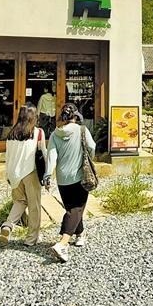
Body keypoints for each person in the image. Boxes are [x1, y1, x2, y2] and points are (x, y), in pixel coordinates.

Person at [47, 103, 95, 262]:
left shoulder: (55, 134)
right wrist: (89, 158)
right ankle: (62, 243)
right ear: (76, 115)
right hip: (79, 176)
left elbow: (51, 157)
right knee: (76, 209)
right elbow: (92, 147)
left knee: (72, 209)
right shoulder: (82, 130)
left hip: (62, 179)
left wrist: (48, 175)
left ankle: (80, 234)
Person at [0, 103, 48, 247]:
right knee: (34, 205)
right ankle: (31, 239)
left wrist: (8, 174)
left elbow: (7, 156)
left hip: (13, 173)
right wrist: (47, 174)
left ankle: (8, 225)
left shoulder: (12, 134)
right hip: (30, 172)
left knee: (19, 201)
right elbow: (43, 153)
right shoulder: (37, 132)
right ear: (34, 117)